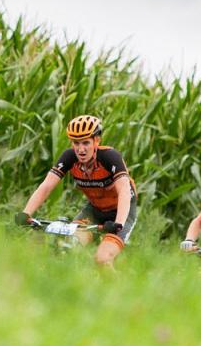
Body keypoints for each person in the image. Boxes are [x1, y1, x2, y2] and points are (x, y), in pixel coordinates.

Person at [15, 115, 138, 270]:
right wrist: (26, 213)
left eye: (86, 142)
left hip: (121, 212)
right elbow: (46, 186)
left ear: (96, 141)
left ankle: (121, 293)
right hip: (95, 210)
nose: (81, 149)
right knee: (69, 247)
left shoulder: (110, 157)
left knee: (102, 260)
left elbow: (124, 192)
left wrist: (118, 223)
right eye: (76, 143)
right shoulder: (69, 157)